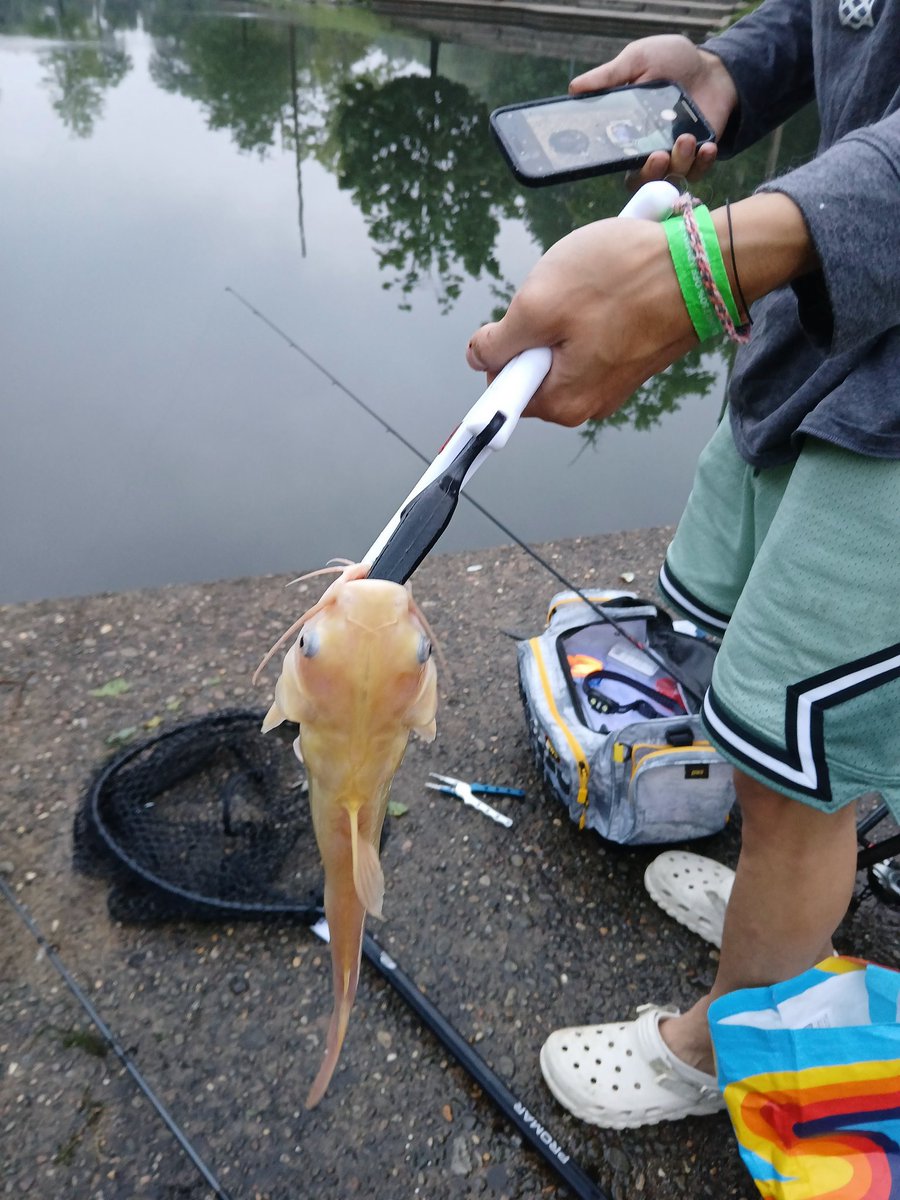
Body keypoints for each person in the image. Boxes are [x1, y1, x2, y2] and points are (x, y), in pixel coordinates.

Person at [466, 0, 900, 1129]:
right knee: (752, 700)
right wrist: (723, 68)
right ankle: (793, 911)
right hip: (819, 344)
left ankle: (725, 1046)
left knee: (806, 766)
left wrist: (702, 266)